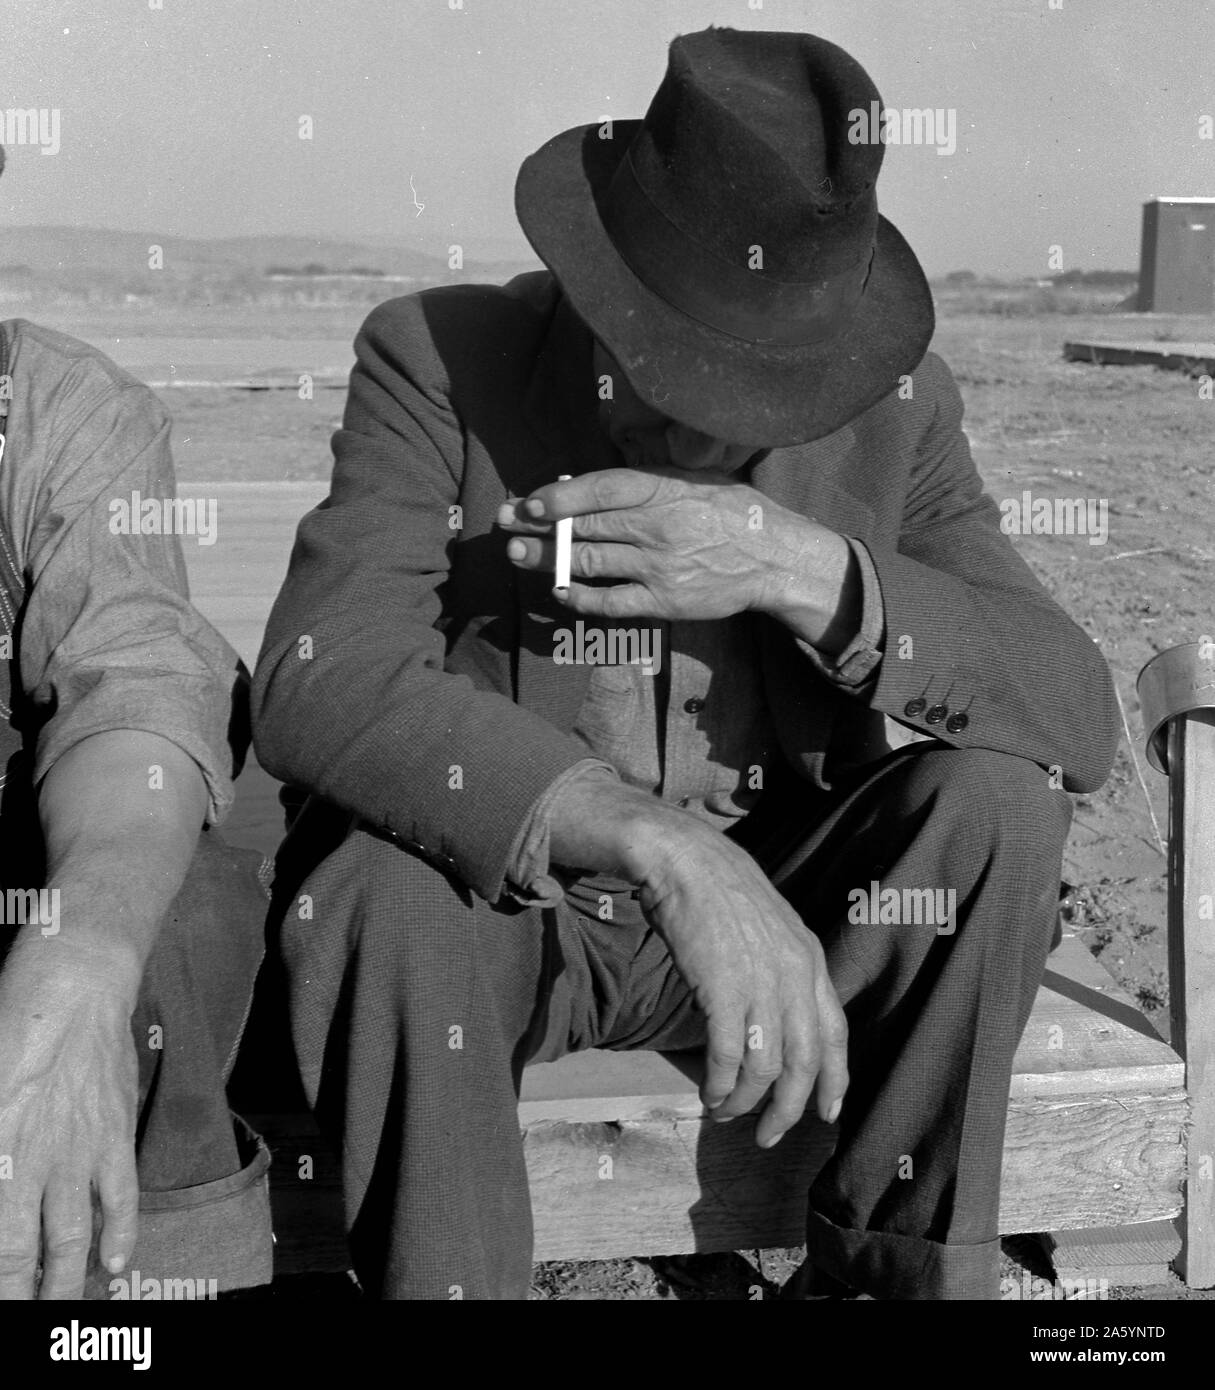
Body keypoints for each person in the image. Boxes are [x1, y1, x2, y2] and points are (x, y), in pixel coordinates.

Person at [251, 27, 1119, 1300]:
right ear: (594, 279)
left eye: (746, 390)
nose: (694, 420)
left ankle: (898, 1280)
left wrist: (792, 564)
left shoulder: (899, 413)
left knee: (997, 806)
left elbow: (1075, 713)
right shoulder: (437, 360)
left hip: (810, 918)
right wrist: (661, 846)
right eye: (657, 363)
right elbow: (317, 675)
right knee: (384, 888)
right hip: (520, 918)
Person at [0, 145, 273, 1300]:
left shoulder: (63, 412)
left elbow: (137, 687)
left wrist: (81, 952)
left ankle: (134, 1296)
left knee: (170, 910)